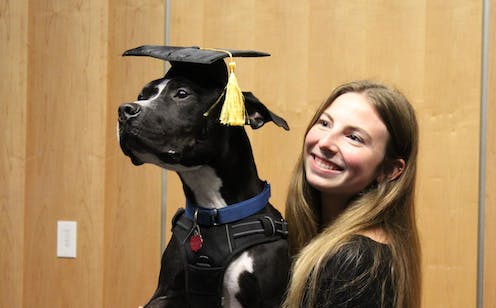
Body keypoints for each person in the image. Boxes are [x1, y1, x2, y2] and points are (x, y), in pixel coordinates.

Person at [283, 80, 421, 308]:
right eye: (325, 123)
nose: (325, 142)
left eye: (354, 137)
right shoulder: (332, 242)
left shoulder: (358, 261)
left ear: (389, 170)